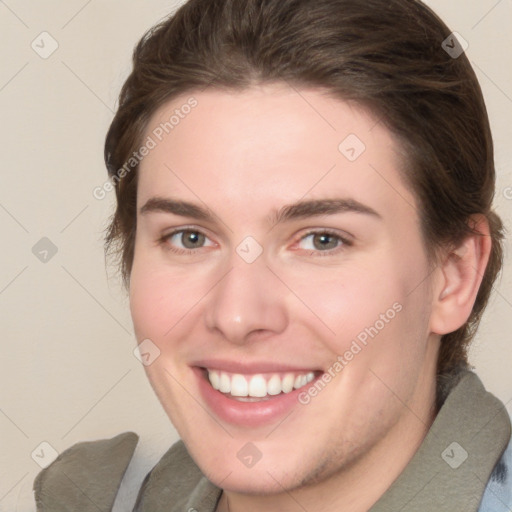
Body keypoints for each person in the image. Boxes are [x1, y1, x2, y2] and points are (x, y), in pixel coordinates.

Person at [33, 0, 511, 510]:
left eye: (322, 240)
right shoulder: (90, 498)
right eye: (189, 237)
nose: (237, 315)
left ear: (454, 276)